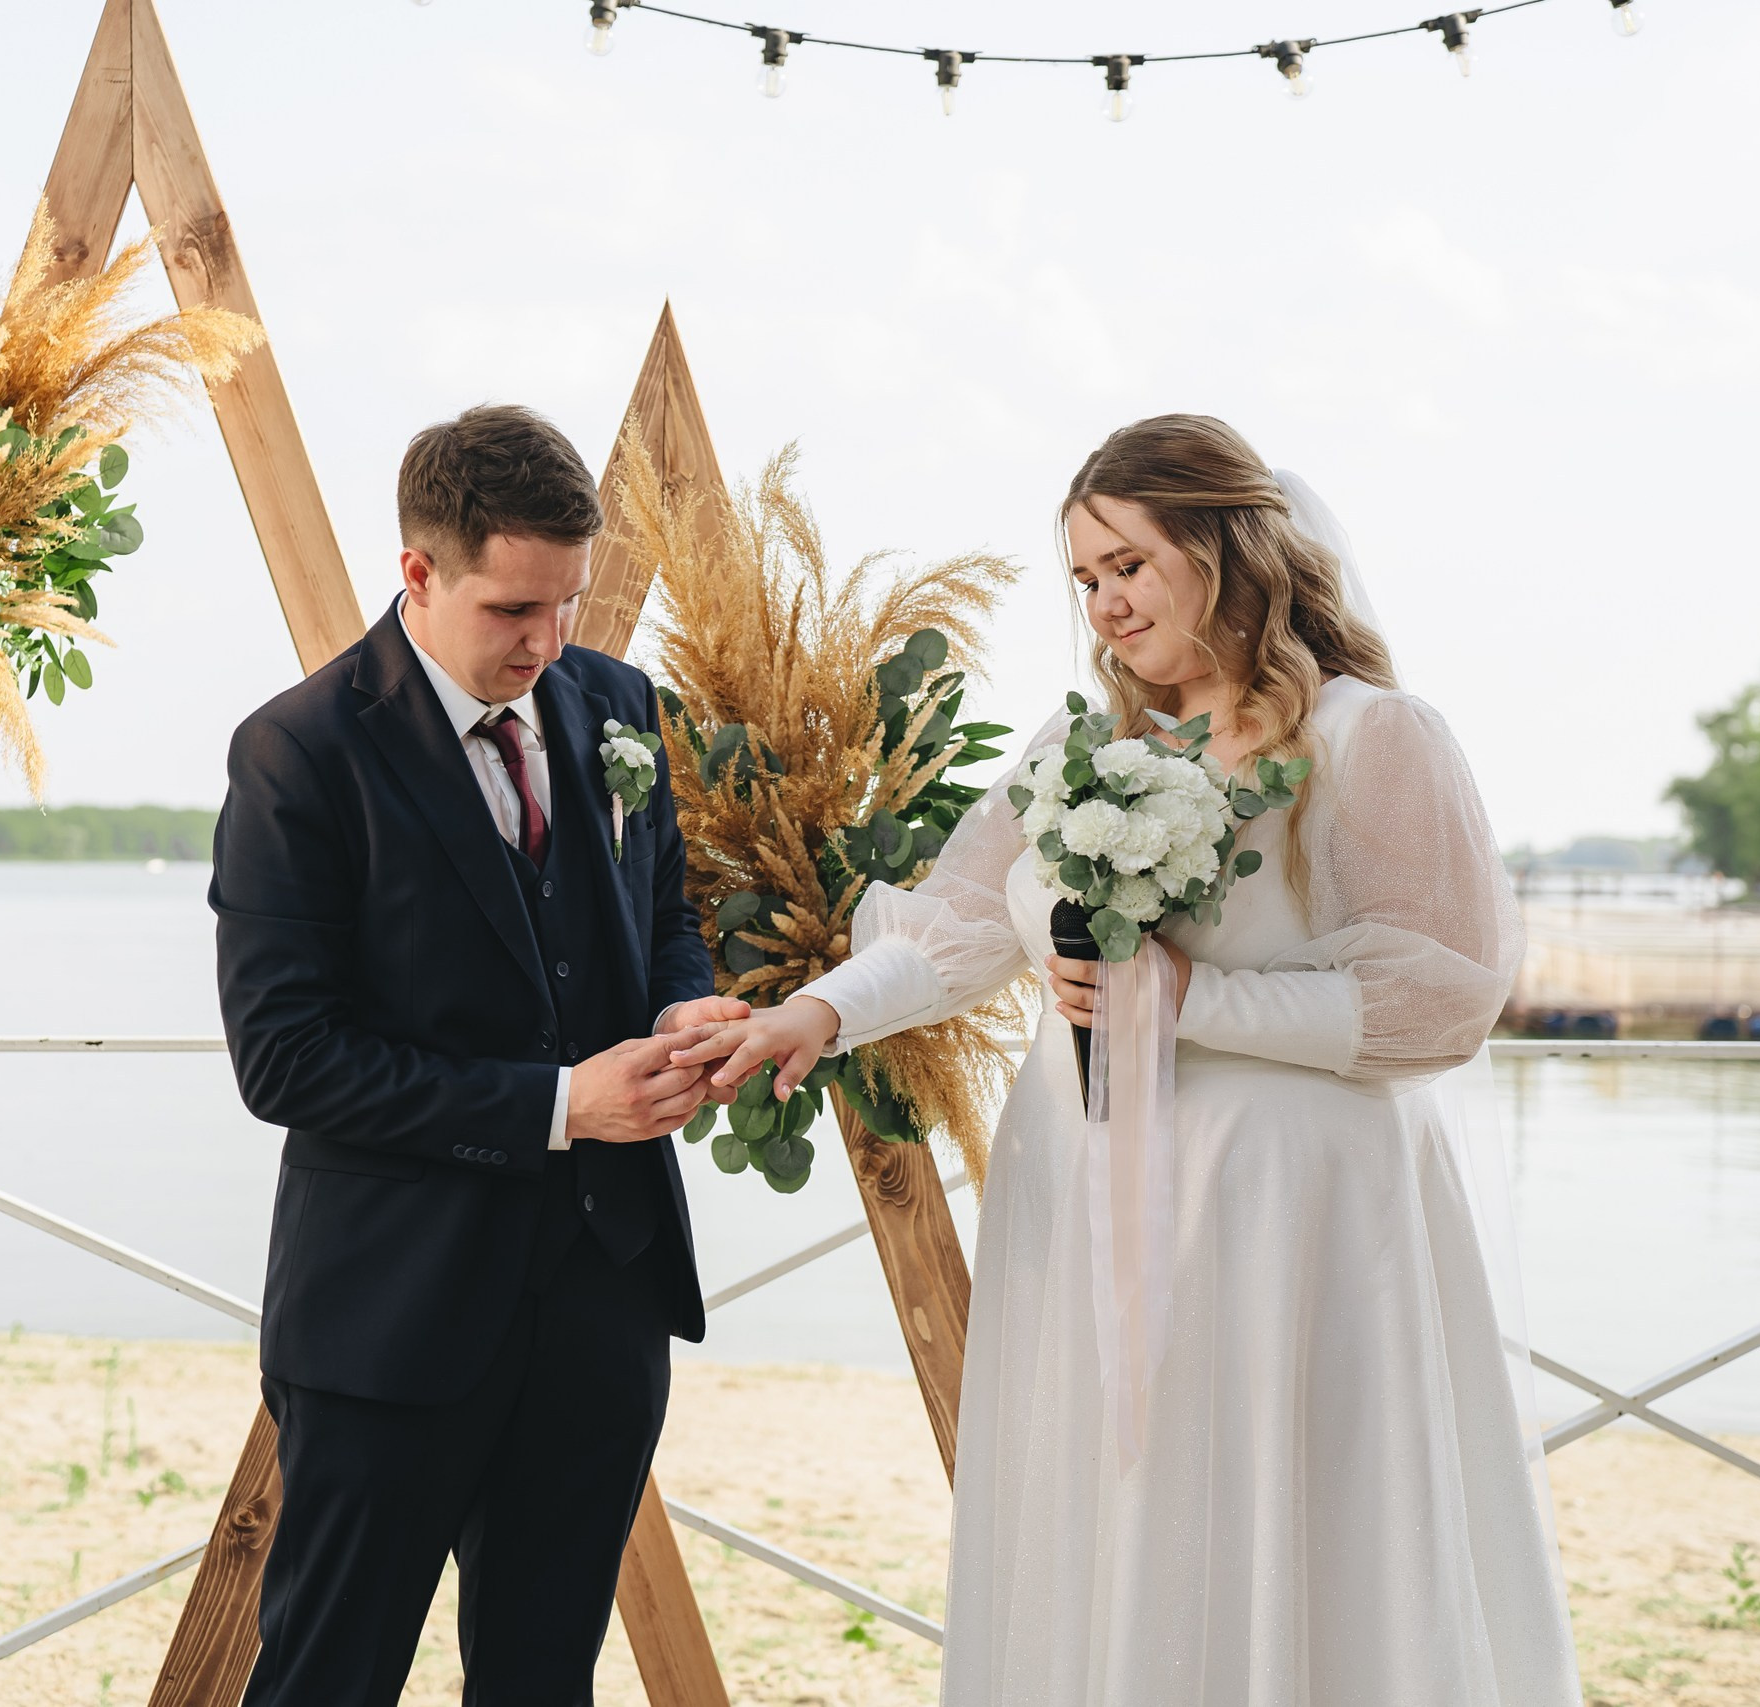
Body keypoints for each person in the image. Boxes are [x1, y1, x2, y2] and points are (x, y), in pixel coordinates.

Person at [678, 415, 1583, 1704]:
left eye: (1129, 566)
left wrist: (1187, 1001)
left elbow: (1440, 996)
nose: (1103, 605)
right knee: (1104, 1519)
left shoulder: (1372, 737)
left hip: (1288, 1223)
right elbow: (950, 927)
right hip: (1086, 1205)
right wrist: (811, 1017)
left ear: (1226, 553)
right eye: (1085, 580)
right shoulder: (1077, 755)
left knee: (1288, 1514)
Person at [209, 404, 747, 1705]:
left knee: (541, 1684)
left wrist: (687, 1006)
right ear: (420, 573)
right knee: (328, 1681)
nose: (548, 641)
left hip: (603, 1299)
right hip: (391, 1322)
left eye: (566, 603)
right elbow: (285, 1061)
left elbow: (665, 918)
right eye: (514, 609)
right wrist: (561, 1104)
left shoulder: (619, 706)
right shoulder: (300, 752)